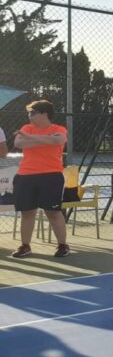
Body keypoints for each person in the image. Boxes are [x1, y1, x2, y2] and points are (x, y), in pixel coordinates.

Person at [10, 100, 70, 258]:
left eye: (33, 112)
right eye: (29, 113)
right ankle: (25, 246)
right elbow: (19, 142)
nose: (29, 116)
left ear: (44, 114)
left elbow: (58, 140)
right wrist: (46, 139)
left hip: (51, 176)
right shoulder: (26, 127)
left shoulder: (58, 129)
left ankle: (62, 245)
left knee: (53, 212)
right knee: (27, 213)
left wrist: (30, 138)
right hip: (25, 176)